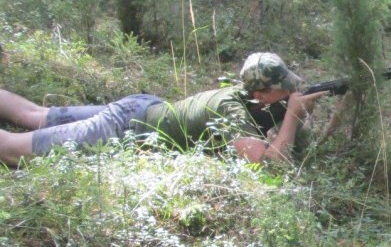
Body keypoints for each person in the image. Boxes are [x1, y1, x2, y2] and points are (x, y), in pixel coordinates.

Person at [0, 52, 331, 167]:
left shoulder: (251, 97)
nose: (290, 91)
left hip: (140, 109)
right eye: (283, 89)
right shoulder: (232, 110)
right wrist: (292, 115)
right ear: (261, 92)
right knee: (14, 149)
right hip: (126, 128)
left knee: (32, 116)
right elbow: (270, 162)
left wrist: (296, 111)